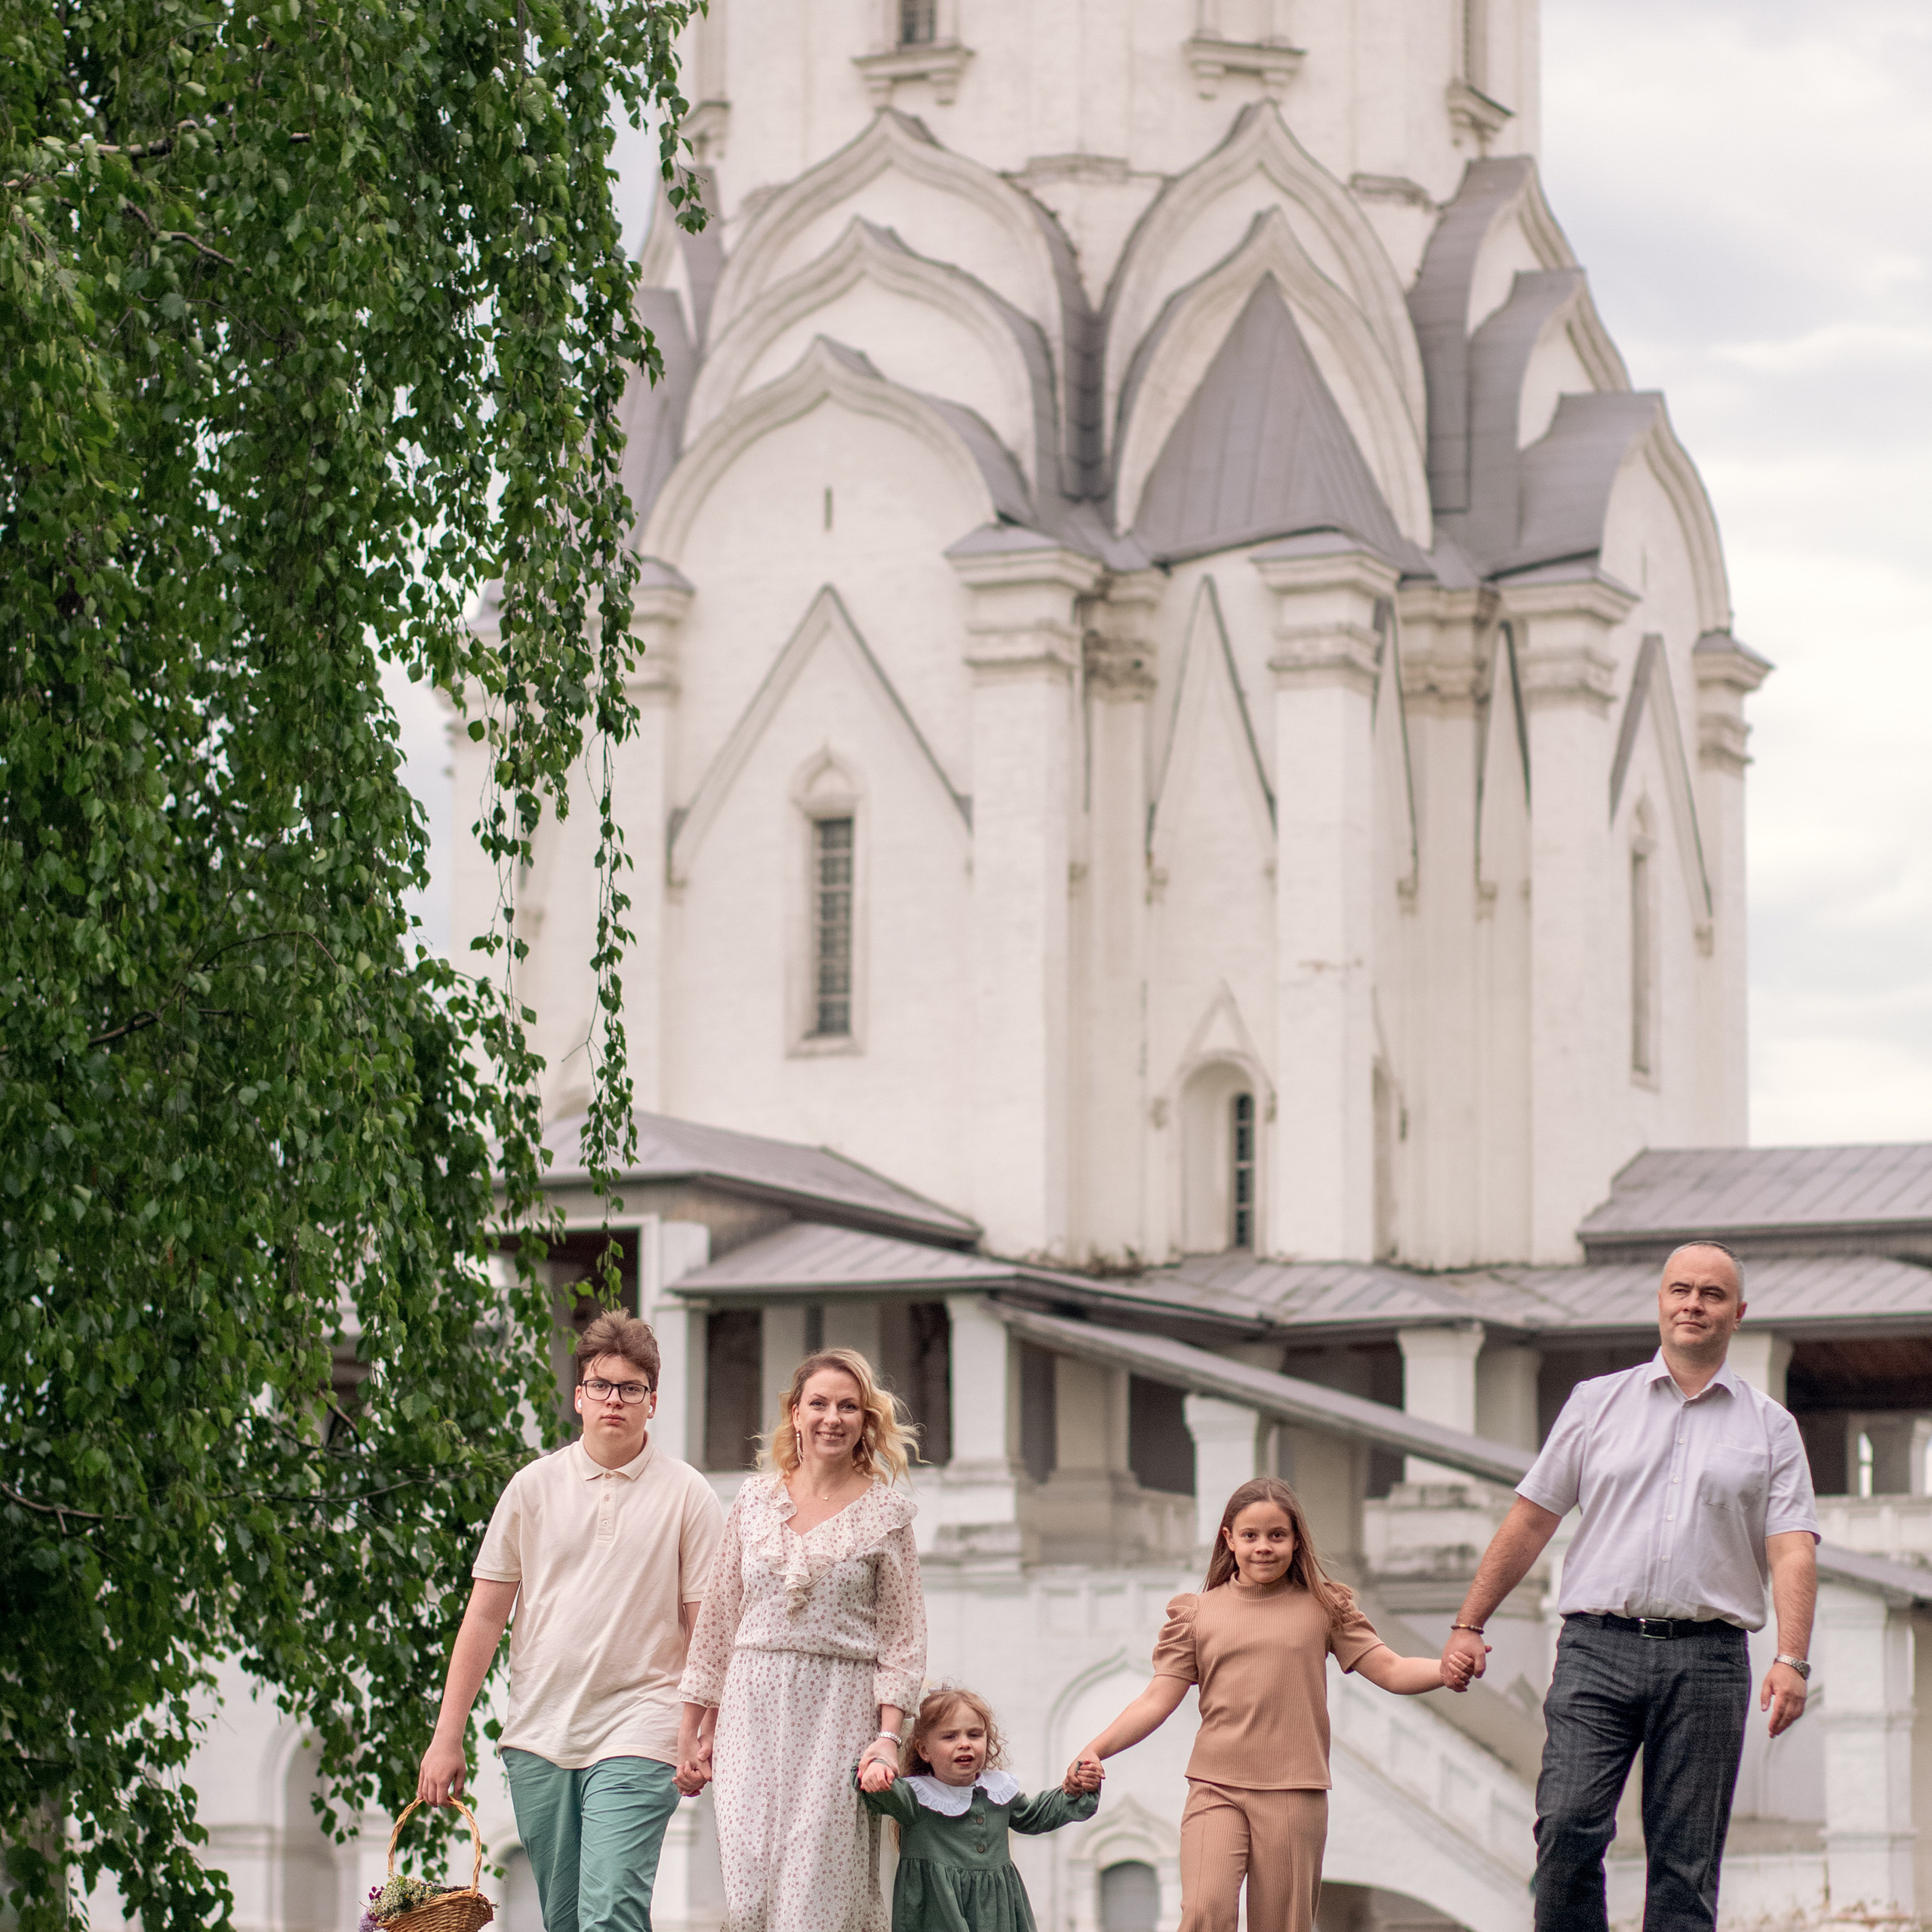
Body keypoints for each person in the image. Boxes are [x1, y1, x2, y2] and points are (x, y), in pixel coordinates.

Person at [1438, 1240, 1820, 1932]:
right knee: (1567, 1829)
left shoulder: (1771, 1427)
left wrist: (1792, 1659)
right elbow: (1531, 1520)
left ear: (1738, 1313)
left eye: (1710, 1294)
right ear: (1660, 1302)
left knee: (1686, 1865)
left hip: (1708, 1661)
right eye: (1681, 1290)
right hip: (1596, 1650)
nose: (1693, 1304)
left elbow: (1792, 1550)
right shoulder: (1595, 1403)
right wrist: (1470, 1622)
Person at [415, 1309, 724, 1932]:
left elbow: (707, 1632)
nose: (615, 1399)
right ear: (579, 1396)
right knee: (566, 1920)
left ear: (652, 1401)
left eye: (630, 1388)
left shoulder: (690, 1495)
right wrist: (447, 1735)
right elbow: (483, 1618)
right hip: (539, 1733)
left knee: (610, 1913)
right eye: (602, 1386)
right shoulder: (531, 1488)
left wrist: (705, 1730)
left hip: (644, 1729)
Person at [1069, 1475, 1444, 1932]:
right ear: (1229, 1539)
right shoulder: (1197, 1614)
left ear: (1295, 1541)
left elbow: (1391, 1669)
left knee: (1282, 1925)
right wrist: (1097, 1748)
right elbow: (1155, 1700)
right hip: (1215, 1787)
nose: (1263, 1547)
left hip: (1295, 1790)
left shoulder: (1325, 1608)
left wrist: (1447, 1670)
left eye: (1277, 1535)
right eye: (1250, 1536)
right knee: (1204, 1912)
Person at [676, 1347, 928, 1932]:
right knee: (748, 1889)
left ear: (867, 1419)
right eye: (818, 1404)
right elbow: (716, 1624)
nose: (831, 1418)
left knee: (814, 1893)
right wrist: (690, 1733)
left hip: (839, 1714)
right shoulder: (753, 1502)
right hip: (750, 1711)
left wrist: (889, 1738)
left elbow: (903, 1639)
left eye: (848, 1406)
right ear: (795, 1413)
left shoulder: (888, 1515)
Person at [858, 1686, 1100, 1932]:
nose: (964, 1744)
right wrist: (876, 1771)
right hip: (938, 1912)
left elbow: (1036, 1815)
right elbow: (882, 1793)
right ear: (924, 1750)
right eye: (950, 1737)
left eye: (974, 1735)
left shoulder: (997, 1791)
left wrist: (1076, 1789)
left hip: (997, 1912)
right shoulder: (916, 1796)